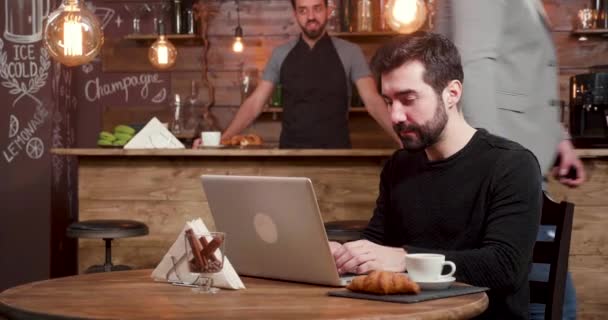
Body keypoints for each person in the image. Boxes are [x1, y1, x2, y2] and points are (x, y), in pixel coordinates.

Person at [330, 32, 542, 319]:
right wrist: (345, 256)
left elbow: (504, 267)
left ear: (452, 93)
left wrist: (404, 259)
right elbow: (376, 245)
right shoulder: (399, 166)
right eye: (389, 101)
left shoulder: (512, 164)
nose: (395, 116)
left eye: (408, 99)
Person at [434, 1, 584, 318]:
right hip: (508, 174)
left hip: (518, 168)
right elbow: (472, 64)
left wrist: (559, 140)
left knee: (550, 301)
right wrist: (498, 161)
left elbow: (524, 76)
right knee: (550, 305)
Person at [196, 0, 400, 148]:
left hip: (338, 156)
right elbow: (255, 103)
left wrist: (402, 141)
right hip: (290, 155)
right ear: (295, 15)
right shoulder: (281, 54)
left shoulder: (350, 52)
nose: (311, 17)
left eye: (317, 9)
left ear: (328, 10)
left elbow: (373, 101)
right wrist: (223, 139)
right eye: (303, 10)